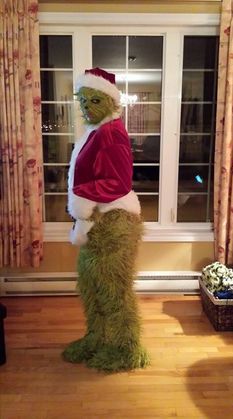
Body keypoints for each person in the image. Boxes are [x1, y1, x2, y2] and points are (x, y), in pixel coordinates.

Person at [62, 67, 149, 372]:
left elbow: (119, 182)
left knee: (114, 291)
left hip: (114, 222)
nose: (87, 107)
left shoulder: (112, 133)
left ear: (111, 102)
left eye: (94, 101)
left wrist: (81, 194)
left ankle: (126, 349)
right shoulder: (95, 131)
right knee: (91, 285)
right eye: (83, 101)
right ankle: (97, 337)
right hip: (94, 222)